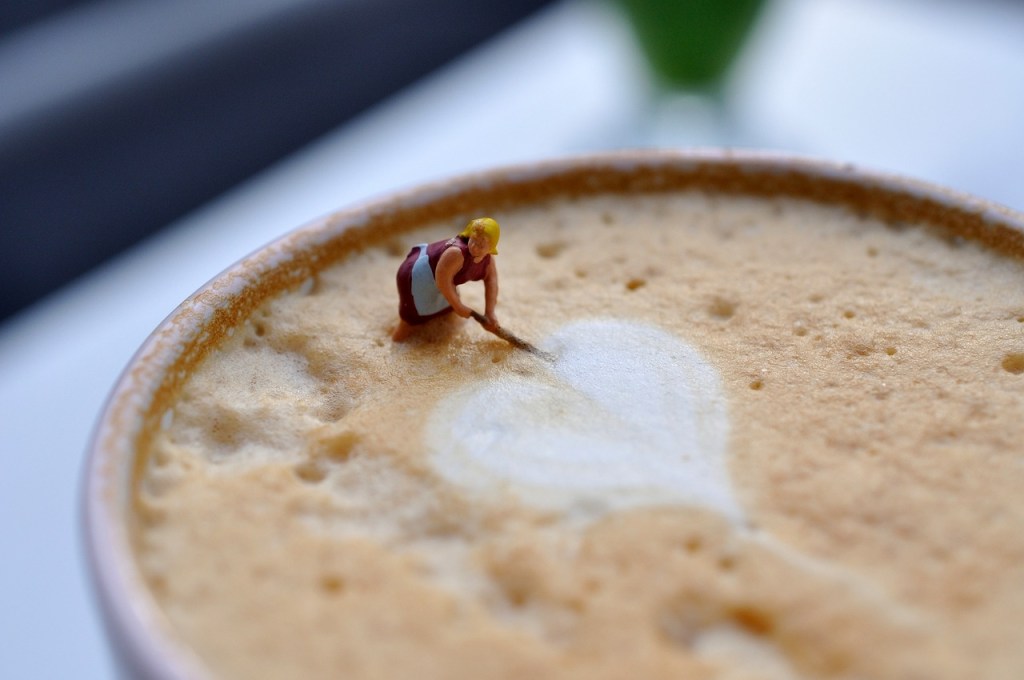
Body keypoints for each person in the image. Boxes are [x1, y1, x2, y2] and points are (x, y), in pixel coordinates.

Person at [392, 217, 500, 342]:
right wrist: (458, 306)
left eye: (481, 245)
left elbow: (492, 281)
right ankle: (397, 342)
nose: (475, 247)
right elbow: (442, 280)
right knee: (411, 316)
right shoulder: (456, 253)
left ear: (491, 247)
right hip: (417, 276)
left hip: (442, 282)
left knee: (447, 310)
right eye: (473, 240)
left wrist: (490, 312)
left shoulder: (488, 260)